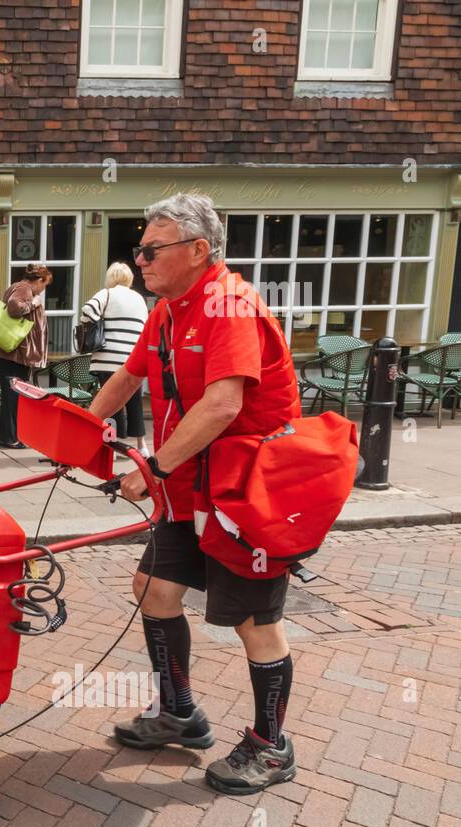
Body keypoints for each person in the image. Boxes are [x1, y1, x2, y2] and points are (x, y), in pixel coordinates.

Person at [87, 193, 303, 795]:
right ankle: (179, 711)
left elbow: (224, 402)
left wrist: (152, 468)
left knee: (256, 620)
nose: (141, 258)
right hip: (190, 487)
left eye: (152, 249)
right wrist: (79, 431)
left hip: (243, 494)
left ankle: (271, 745)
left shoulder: (228, 304)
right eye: (140, 250)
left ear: (197, 250)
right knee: (153, 588)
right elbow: (129, 375)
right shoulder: (167, 309)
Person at [79, 262, 150, 453]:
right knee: (134, 401)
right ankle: (141, 445)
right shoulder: (138, 298)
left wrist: (94, 323)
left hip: (108, 357)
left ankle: (114, 445)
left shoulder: (107, 293)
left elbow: (88, 310)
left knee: (112, 402)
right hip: (133, 358)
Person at [0, 265, 51, 449]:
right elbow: (14, 308)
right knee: (14, 397)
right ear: (39, 280)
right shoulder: (24, 289)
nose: (43, 290)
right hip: (11, 355)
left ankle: (10, 436)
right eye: (44, 285)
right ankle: (10, 438)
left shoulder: (19, 287)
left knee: (12, 396)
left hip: (9, 354)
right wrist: (35, 304)